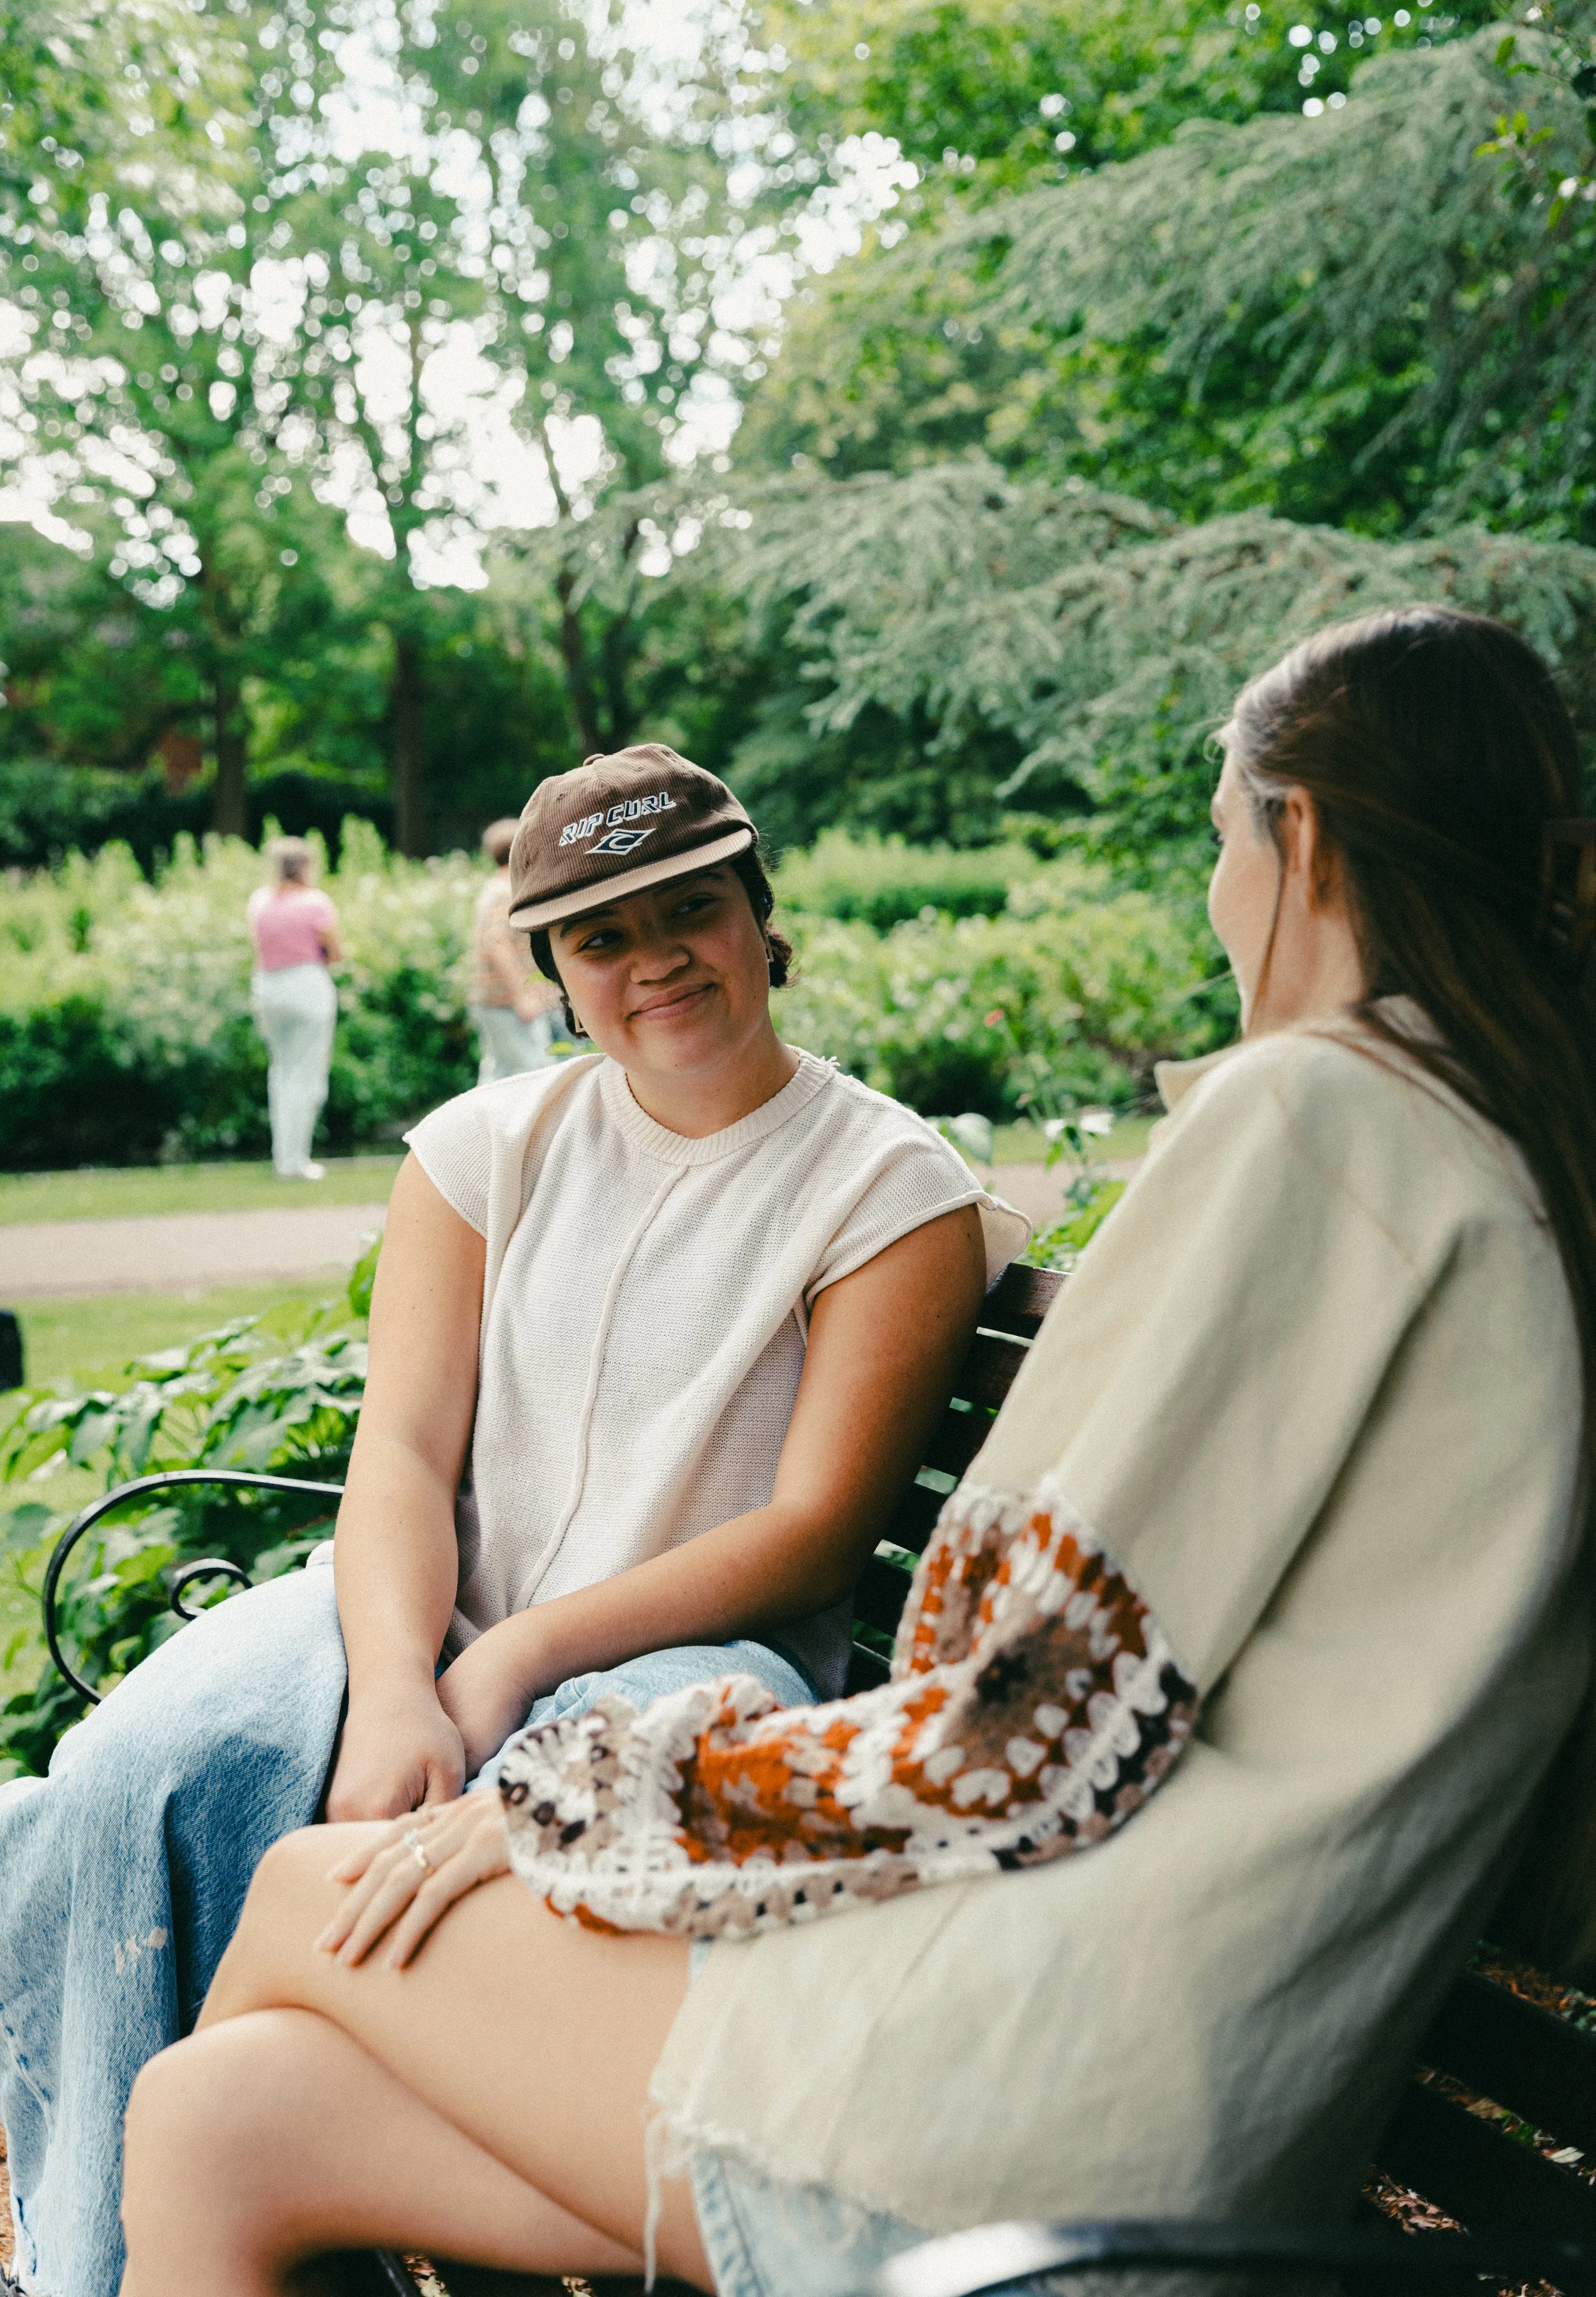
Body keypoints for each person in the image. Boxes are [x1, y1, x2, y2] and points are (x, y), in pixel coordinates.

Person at [121, 605, 1596, 2297]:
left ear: (1300, 835)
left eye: (1213, 838)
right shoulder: (1519, 1142)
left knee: (316, 1886)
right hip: (1167, 2076)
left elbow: (1021, 1729)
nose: (1215, 894)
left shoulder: (1320, 1118)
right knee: (223, 2121)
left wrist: (595, 1795)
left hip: (1010, 2106)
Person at [0, 745, 1024, 2297]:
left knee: (418, 1864)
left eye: (690, 906)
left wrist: (515, 1657)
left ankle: (242, 2209)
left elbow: (815, 1529)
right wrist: (407, 1672)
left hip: (686, 1676)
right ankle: (100, 2260)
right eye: (601, 934)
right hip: (437, 1600)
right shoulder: (482, 1150)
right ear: (551, 967)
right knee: (145, 1771)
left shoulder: (885, 1186)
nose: (654, 957)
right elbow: (404, 1456)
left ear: (761, 915)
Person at [246, 836, 343, 1181]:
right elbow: (336, 952)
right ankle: (298, 1160)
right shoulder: (315, 903)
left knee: (282, 1072)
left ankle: (282, 1157)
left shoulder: (259, 902)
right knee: (307, 1075)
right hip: (307, 986)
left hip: (268, 986)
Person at [469, 817, 566, 1084]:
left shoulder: (494, 888)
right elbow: (497, 941)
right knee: (533, 1075)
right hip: (505, 1002)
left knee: (499, 1074)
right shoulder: (505, 891)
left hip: (495, 1000)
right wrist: (522, 995)